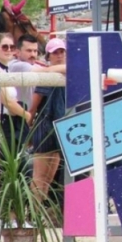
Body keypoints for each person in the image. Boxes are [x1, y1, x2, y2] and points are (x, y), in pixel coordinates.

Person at [30, 38, 69, 208]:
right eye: (55, 53)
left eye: (62, 51)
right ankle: (32, 212)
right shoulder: (48, 75)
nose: (59, 55)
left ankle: (37, 213)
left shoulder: (50, 72)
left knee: (49, 176)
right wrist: (29, 119)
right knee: (40, 176)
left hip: (60, 124)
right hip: (46, 126)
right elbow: (36, 101)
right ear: (48, 55)